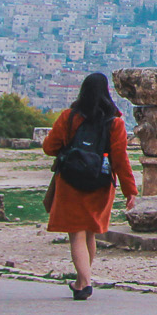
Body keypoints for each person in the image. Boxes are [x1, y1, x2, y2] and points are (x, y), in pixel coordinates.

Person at [42, 73, 137, 300]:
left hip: (70, 182)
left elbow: (49, 147)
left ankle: (84, 283)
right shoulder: (115, 122)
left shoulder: (69, 117)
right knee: (90, 233)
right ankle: (81, 280)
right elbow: (120, 160)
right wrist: (130, 191)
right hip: (100, 183)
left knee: (76, 235)